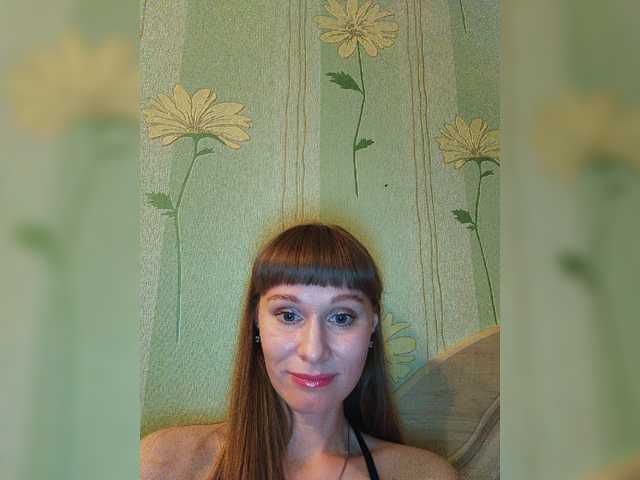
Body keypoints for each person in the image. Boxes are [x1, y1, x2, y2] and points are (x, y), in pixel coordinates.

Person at [141, 223, 457, 479]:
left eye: (341, 317)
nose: (314, 351)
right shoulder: (164, 462)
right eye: (289, 315)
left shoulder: (425, 475)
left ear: (371, 328)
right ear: (256, 322)